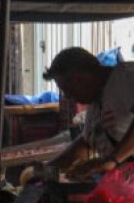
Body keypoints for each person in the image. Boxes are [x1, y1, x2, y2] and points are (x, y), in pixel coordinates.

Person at [43, 47, 134, 179]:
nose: (68, 96)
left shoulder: (126, 77)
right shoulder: (95, 101)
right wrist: (48, 169)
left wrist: (111, 160)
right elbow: (86, 144)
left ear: (80, 79)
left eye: (67, 90)